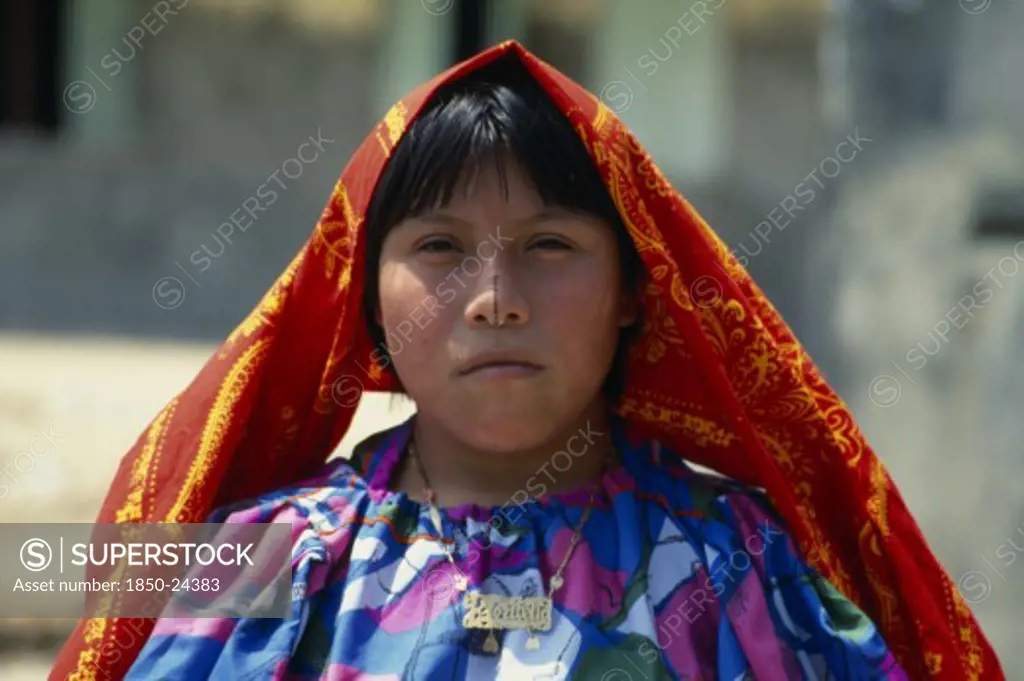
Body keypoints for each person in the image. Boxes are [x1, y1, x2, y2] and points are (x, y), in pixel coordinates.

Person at [52, 41, 1002, 680]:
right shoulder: (260, 567)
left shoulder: (744, 569)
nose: (495, 296)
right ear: (361, 297)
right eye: (439, 249)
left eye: (549, 245)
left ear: (635, 290)